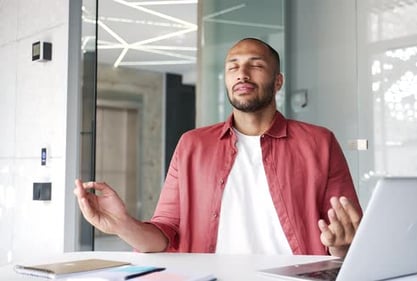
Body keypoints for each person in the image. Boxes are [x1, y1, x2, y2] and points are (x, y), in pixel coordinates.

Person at [74, 37, 362, 257]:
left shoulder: (319, 142)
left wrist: (340, 246)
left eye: (256, 65)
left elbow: (347, 238)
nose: (242, 73)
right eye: (233, 67)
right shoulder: (192, 145)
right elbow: (165, 235)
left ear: (278, 82)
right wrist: (122, 224)